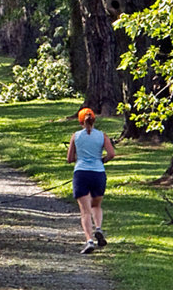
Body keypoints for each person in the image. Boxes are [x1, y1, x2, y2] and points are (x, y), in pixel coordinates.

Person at [67, 107, 115, 254]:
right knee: (96, 206)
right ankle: (99, 228)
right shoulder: (102, 136)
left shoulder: (76, 136)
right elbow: (111, 154)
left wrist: (79, 158)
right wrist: (102, 160)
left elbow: (69, 159)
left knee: (85, 211)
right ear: (94, 120)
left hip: (81, 173)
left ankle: (89, 240)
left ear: (81, 121)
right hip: (98, 173)